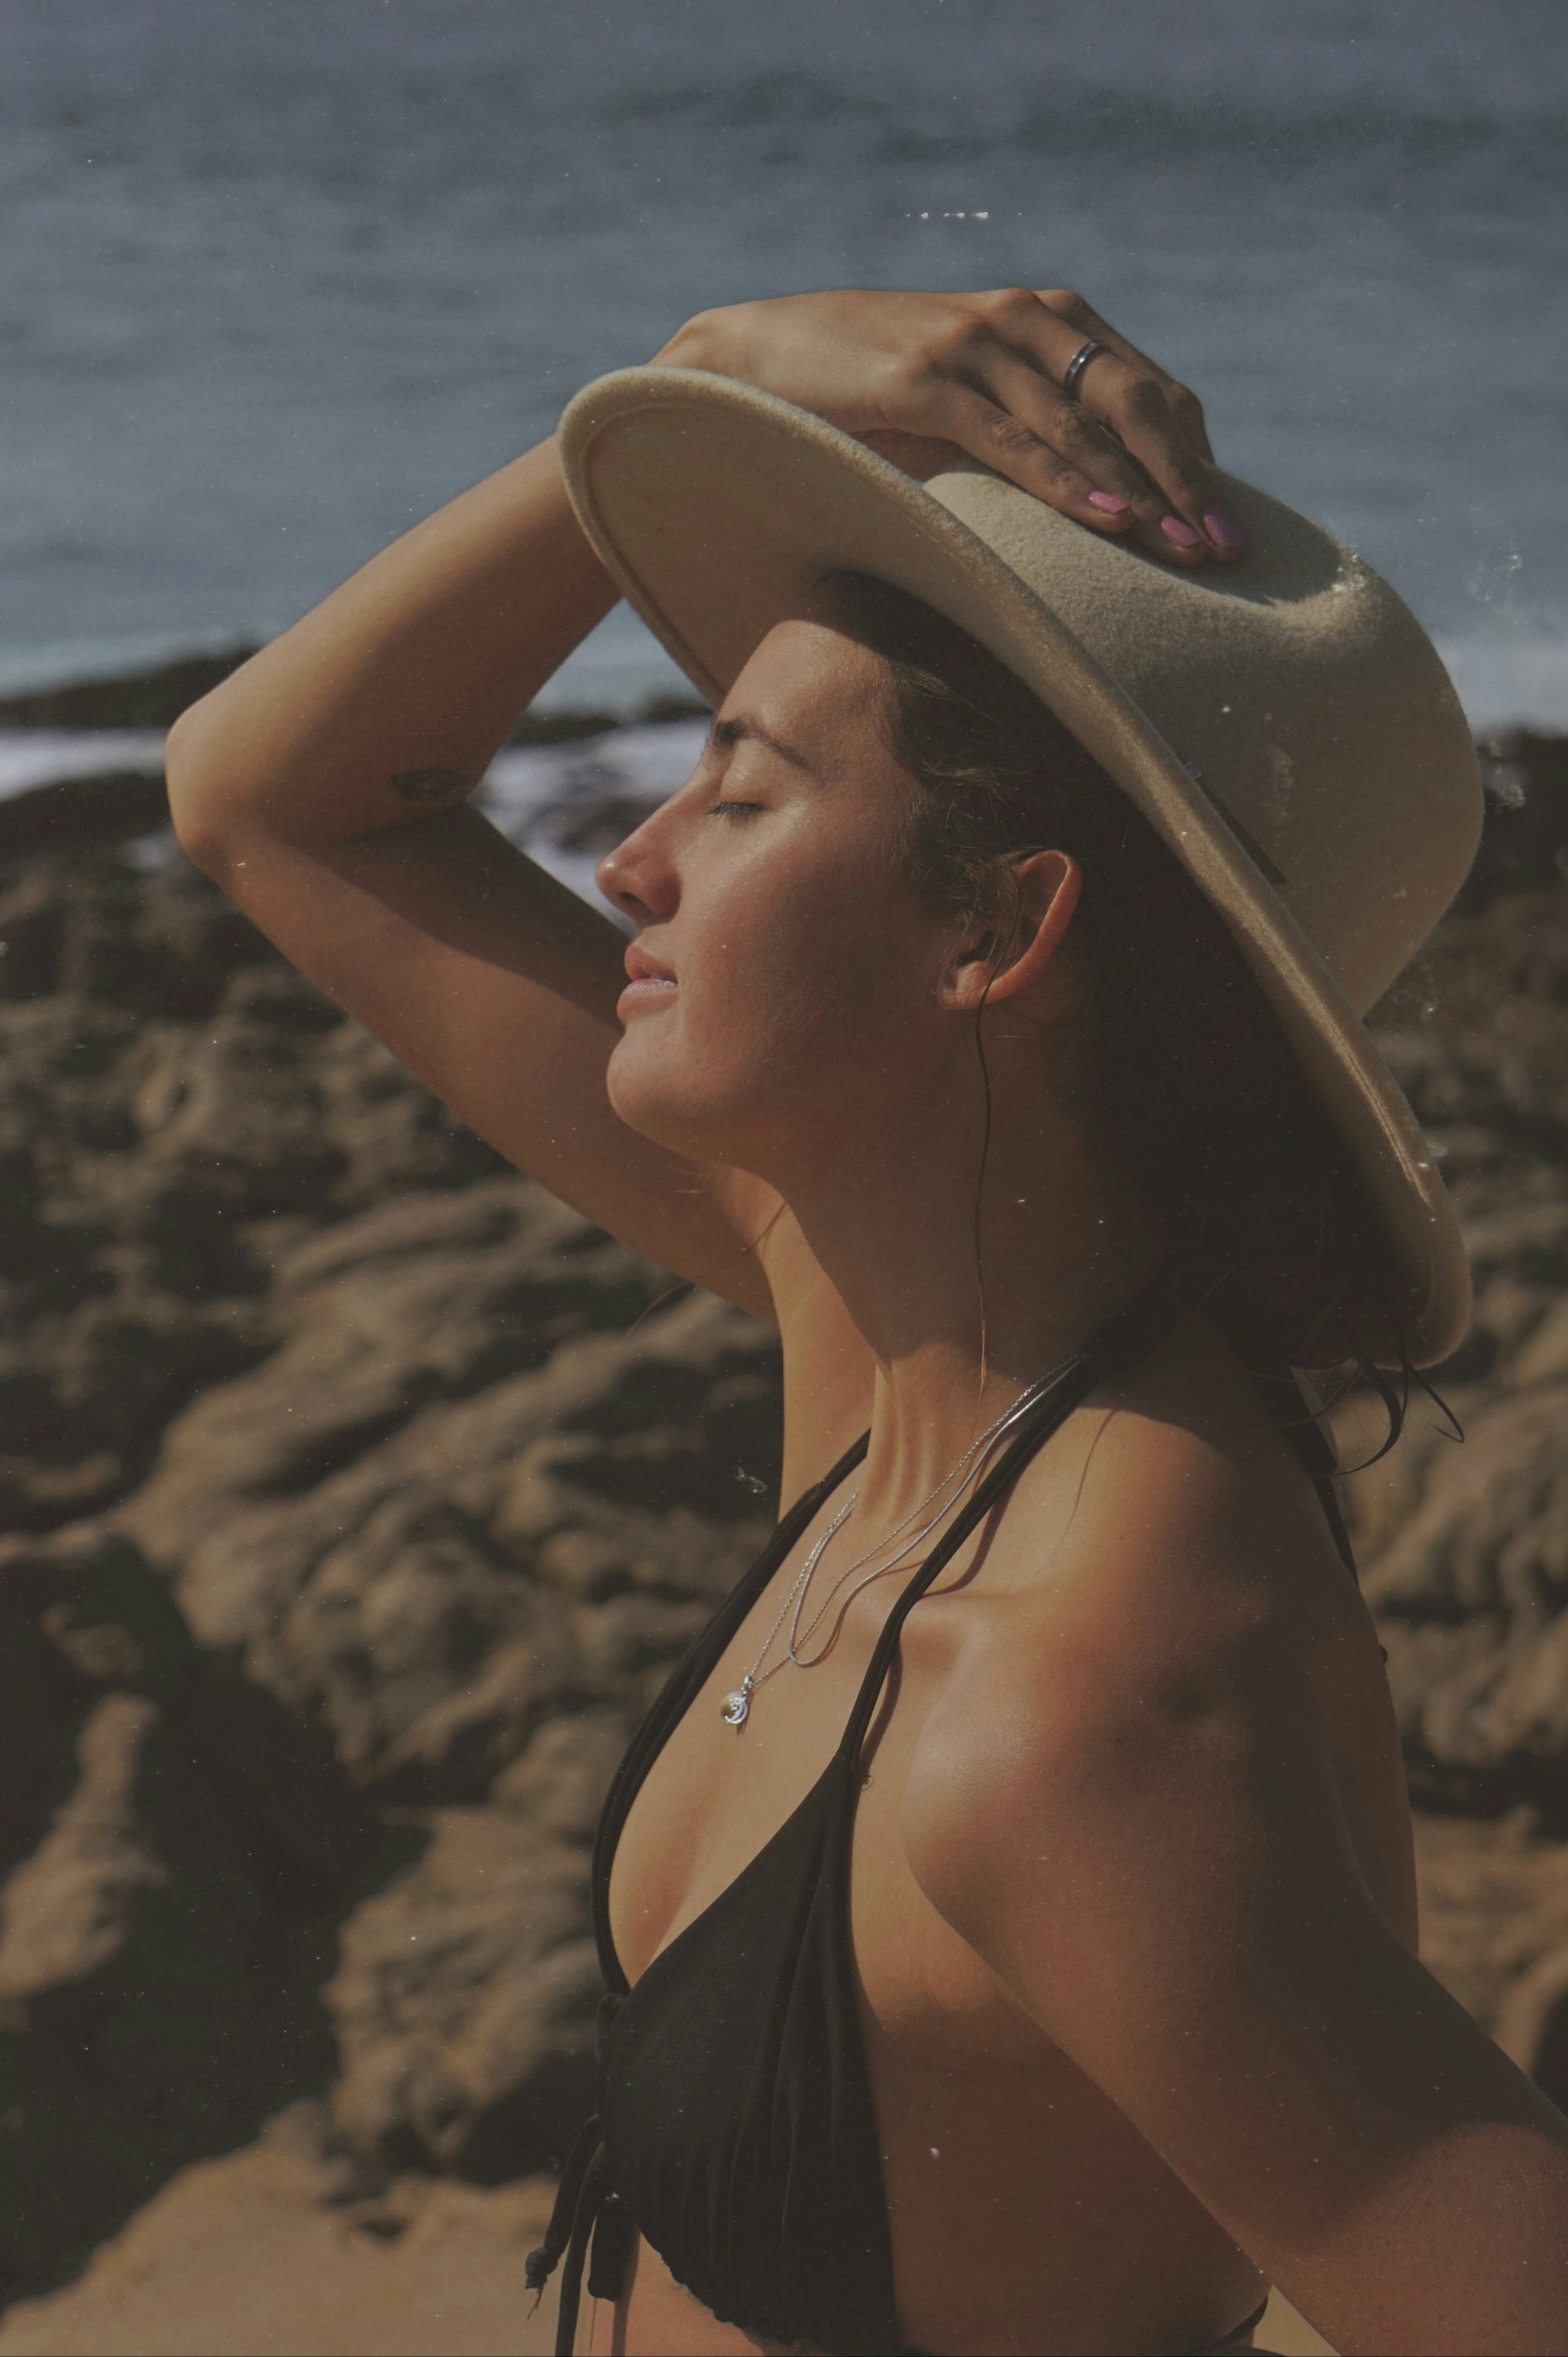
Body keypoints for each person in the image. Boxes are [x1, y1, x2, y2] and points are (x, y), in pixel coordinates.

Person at [164, 287, 1568, 2357]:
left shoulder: (1085, 1704)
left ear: (999, 925)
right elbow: (273, 797)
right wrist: (703, 373)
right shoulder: (892, 1324)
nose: (626, 862)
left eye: (734, 798)